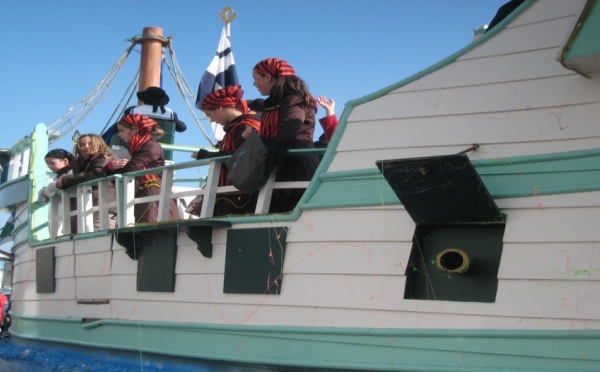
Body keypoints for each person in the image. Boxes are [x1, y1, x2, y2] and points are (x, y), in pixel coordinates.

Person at [252, 57, 320, 213]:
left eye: (256, 78)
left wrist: (269, 159)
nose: (254, 83)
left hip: (295, 168)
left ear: (268, 77)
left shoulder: (293, 99)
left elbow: (290, 127)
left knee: (289, 211)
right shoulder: (279, 101)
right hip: (282, 166)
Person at [188, 85, 262, 217]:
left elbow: (240, 157)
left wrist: (205, 155)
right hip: (233, 194)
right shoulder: (238, 127)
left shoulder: (243, 127)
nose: (212, 120)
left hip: (236, 196)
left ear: (220, 107)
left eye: (210, 115)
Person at [105, 114, 179, 223]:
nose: (120, 135)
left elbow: (132, 167)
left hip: (152, 191)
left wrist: (112, 168)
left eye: (122, 131)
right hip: (146, 191)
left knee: (151, 222)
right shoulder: (140, 147)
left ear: (135, 129)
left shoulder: (151, 146)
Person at [56, 134, 117, 231]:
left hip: (103, 199)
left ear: (98, 144)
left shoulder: (104, 158)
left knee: (100, 226)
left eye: (90, 143)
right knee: (88, 228)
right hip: (87, 200)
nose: (86, 146)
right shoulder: (78, 162)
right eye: (82, 144)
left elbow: (94, 173)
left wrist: (65, 180)